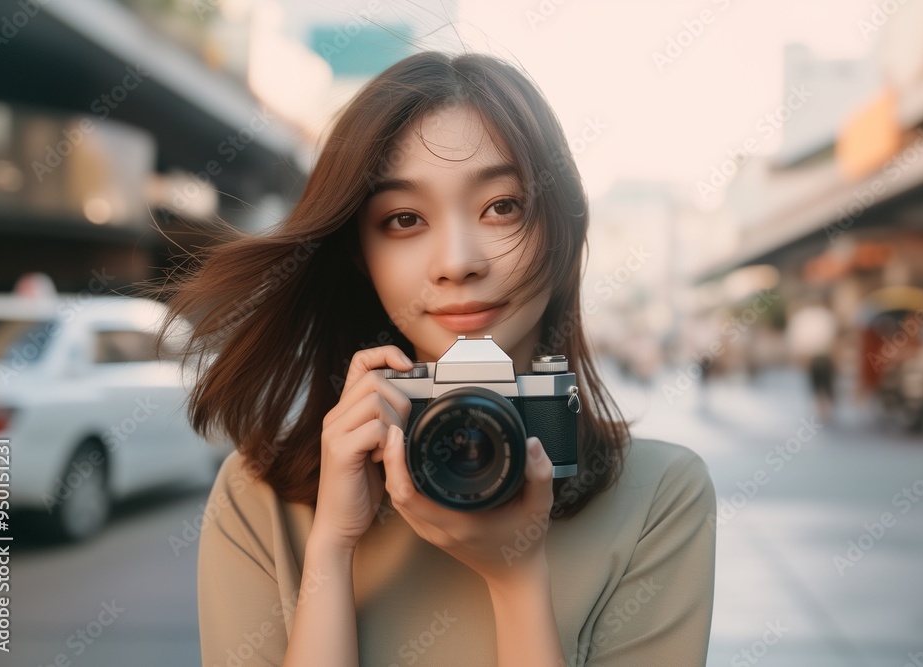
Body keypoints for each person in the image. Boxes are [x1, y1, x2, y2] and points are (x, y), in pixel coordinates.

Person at [159, 51, 715, 666]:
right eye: (404, 219)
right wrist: (330, 550)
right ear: (357, 255)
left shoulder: (657, 497)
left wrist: (516, 579)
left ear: (562, 226)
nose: (456, 261)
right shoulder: (257, 498)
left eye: (502, 206)